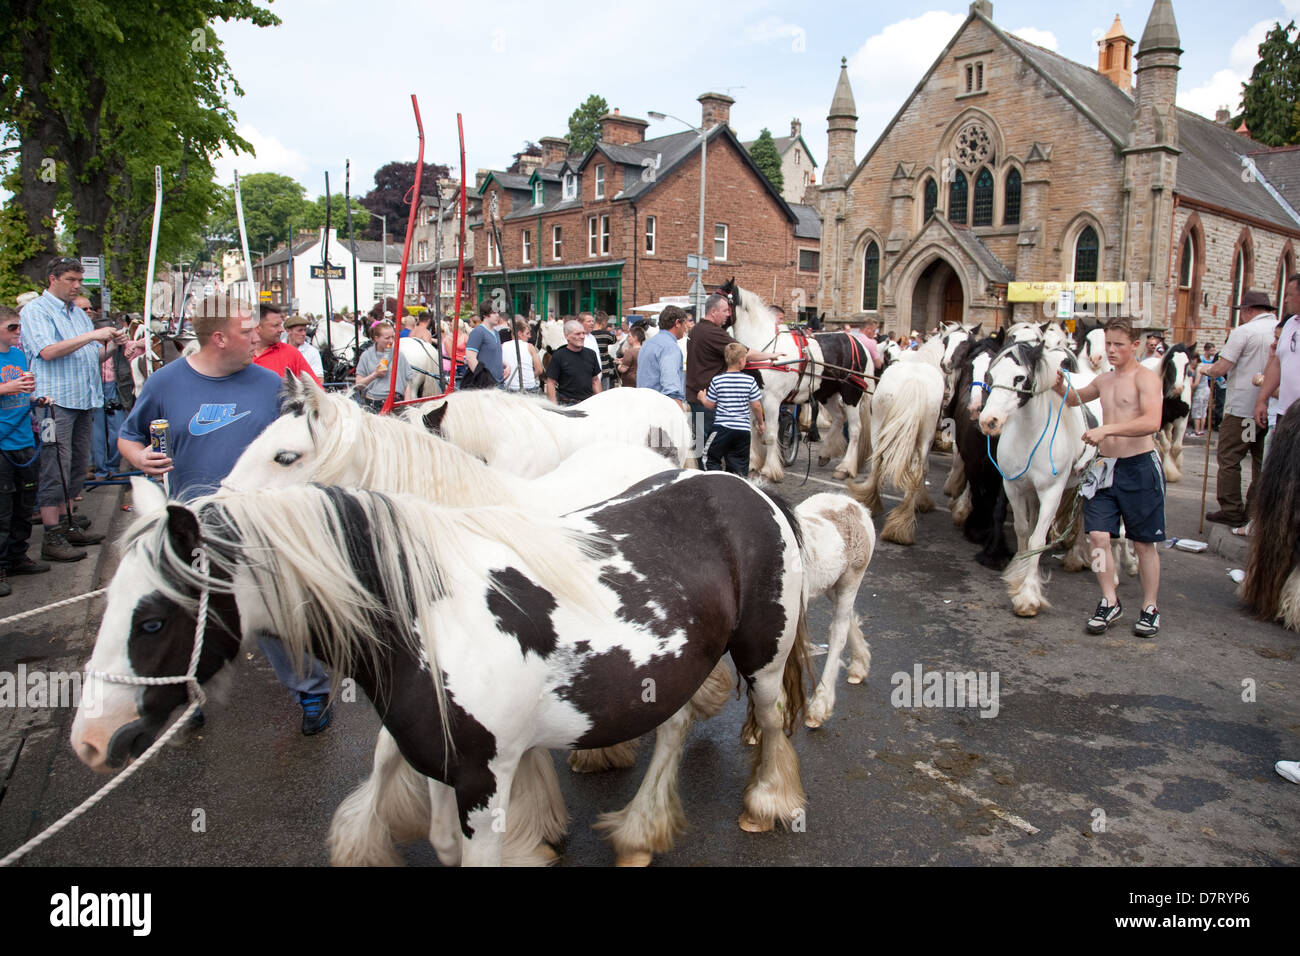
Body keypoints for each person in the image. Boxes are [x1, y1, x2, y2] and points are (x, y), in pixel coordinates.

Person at [118, 294, 333, 734]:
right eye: (246, 330)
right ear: (217, 338)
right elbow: (129, 436)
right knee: (189, 616)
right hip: (190, 527)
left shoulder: (272, 384)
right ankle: (185, 696)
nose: (258, 335)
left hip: (259, 525)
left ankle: (312, 693)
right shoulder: (164, 384)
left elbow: (310, 443)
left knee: (276, 615)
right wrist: (140, 459)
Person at [1052, 317, 1165, 637]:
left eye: (1118, 344)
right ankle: (1109, 600)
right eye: (1108, 344)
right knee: (1098, 537)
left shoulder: (1146, 379)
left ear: (1135, 346)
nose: (1111, 350)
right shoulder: (1105, 381)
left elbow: (1152, 422)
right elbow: (1075, 398)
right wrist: (1059, 384)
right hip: (1105, 469)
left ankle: (1150, 606)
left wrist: (1107, 429)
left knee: (1144, 542)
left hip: (1140, 466)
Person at [20, 256, 125, 562]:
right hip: (55, 400)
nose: (77, 286)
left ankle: (67, 520)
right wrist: (93, 335)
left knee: (78, 462)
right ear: (53, 278)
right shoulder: (35, 312)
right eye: (71, 280)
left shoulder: (76, 315)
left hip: (83, 397)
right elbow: (48, 351)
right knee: (56, 464)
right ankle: (52, 533)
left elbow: (89, 357)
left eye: (79, 280)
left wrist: (112, 347)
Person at [1202, 290, 1278, 527]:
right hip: (1271, 405)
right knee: (1261, 460)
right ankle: (1256, 510)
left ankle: (1232, 509)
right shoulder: (1280, 329)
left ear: (1247, 310)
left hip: (1243, 408)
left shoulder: (1244, 332)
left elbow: (1222, 367)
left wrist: (1206, 370)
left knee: (1230, 457)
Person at [0, 304, 50, 594]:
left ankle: (17, 556)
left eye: (19, 327)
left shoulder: (19, 355)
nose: (18, 333)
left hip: (23, 439)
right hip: (3, 442)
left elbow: (24, 388)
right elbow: (10, 388)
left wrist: (36, 398)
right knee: (3, 509)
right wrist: (8, 388)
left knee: (23, 504)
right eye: (12, 327)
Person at [696, 342, 764, 474]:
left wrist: (702, 398)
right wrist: (761, 423)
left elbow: (710, 405)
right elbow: (756, 405)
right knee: (739, 466)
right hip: (743, 431)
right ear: (741, 361)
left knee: (709, 458)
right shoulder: (750, 381)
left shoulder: (717, 380)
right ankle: (736, 489)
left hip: (722, 428)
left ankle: (717, 483)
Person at [251, 303, 320, 384]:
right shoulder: (238, 356)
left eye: (281, 324)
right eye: (276, 325)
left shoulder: (292, 354)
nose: (281, 330)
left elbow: (315, 390)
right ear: (257, 328)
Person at [637, 306, 689, 407]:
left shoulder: (648, 344)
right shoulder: (670, 347)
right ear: (677, 323)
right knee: (700, 420)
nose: (685, 328)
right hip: (661, 408)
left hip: (643, 405)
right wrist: (679, 412)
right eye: (684, 324)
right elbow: (671, 386)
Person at [354, 321, 411, 412]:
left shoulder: (399, 354)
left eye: (393, 337)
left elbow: (407, 383)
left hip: (395, 403)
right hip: (373, 404)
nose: (391, 341)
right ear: (376, 338)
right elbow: (358, 385)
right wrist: (375, 375)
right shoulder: (366, 356)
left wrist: (407, 406)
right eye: (387, 338)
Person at [545, 318, 601, 406]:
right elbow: (550, 382)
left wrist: (600, 402)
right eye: (578, 334)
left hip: (588, 404)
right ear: (567, 336)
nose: (582, 336)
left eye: (583, 333)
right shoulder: (559, 355)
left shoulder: (591, 354)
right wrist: (554, 406)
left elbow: (595, 380)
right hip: (566, 405)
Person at [465, 301, 505, 388]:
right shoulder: (478, 332)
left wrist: (506, 366)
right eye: (494, 313)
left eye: (498, 312)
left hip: (499, 383)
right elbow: (470, 358)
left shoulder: (496, 333)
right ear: (485, 315)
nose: (497, 315)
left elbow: (494, 355)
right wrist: (483, 379)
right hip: (485, 386)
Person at [502, 319, 543, 393]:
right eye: (527, 333)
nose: (530, 336)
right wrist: (528, 378)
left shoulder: (502, 346)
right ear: (520, 334)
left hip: (509, 388)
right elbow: (539, 370)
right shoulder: (530, 347)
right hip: (528, 388)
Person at [284, 315, 324, 381]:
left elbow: (319, 379)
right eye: (300, 330)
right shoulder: (277, 349)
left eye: (305, 330)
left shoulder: (312, 352)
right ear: (288, 331)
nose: (303, 334)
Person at [1189, 341, 1216, 436]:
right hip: (1206, 390)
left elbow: (1196, 383)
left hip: (1200, 391)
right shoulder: (1203, 366)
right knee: (1203, 411)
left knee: (1197, 411)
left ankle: (1197, 430)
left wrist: (1190, 389)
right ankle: (1201, 430)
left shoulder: (1199, 368)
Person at [592, 311, 617, 389]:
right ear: (603, 322)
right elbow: (614, 340)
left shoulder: (590, 335)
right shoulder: (606, 334)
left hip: (593, 369)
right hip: (604, 368)